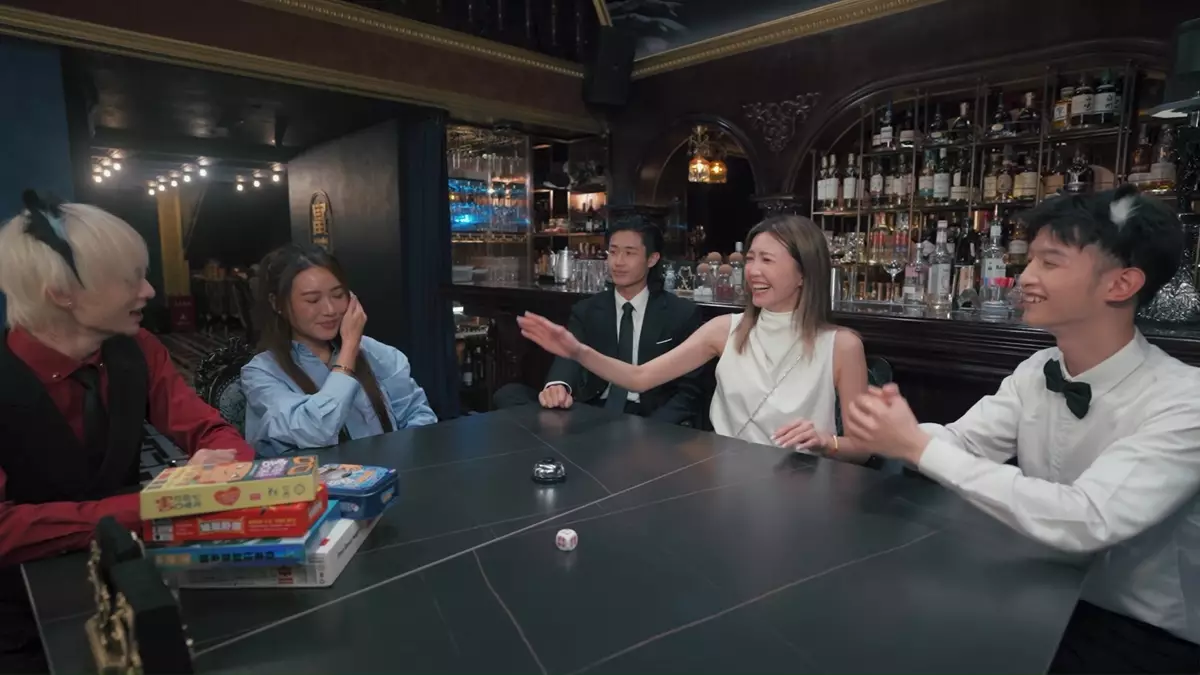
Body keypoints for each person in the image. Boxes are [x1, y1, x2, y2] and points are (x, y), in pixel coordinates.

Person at [843, 185, 1200, 673]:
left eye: (1050, 263)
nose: (1024, 277)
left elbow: (1088, 519)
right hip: (1041, 591)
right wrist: (888, 433)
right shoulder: (1038, 369)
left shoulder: (1185, 400)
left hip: (1139, 630)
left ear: (1121, 284)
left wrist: (918, 445)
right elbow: (964, 442)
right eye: (1030, 260)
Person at [0, 192, 254, 673]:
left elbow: (211, 430)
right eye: (131, 278)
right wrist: (151, 507)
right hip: (19, 618)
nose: (150, 291)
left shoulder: (139, 348)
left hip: (135, 586)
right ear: (62, 293)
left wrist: (222, 469)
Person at [519, 215, 873, 461]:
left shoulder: (842, 346)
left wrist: (827, 442)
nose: (753, 271)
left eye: (767, 260)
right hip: (725, 481)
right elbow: (640, 377)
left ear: (803, 273)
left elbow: (862, 448)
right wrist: (577, 351)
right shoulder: (725, 330)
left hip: (802, 488)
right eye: (750, 259)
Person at [494, 219, 705, 426]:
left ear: (652, 259)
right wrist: (558, 385)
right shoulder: (587, 310)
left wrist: (655, 428)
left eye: (629, 253)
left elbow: (690, 392)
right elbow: (570, 353)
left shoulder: (680, 313)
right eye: (613, 252)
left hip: (648, 414)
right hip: (596, 409)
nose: (618, 262)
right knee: (509, 395)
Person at [241, 243, 436, 454]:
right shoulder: (261, 373)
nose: (330, 310)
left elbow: (419, 416)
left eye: (338, 295)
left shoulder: (377, 353)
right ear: (277, 304)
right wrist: (349, 349)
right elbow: (315, 431)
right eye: (313, 300)